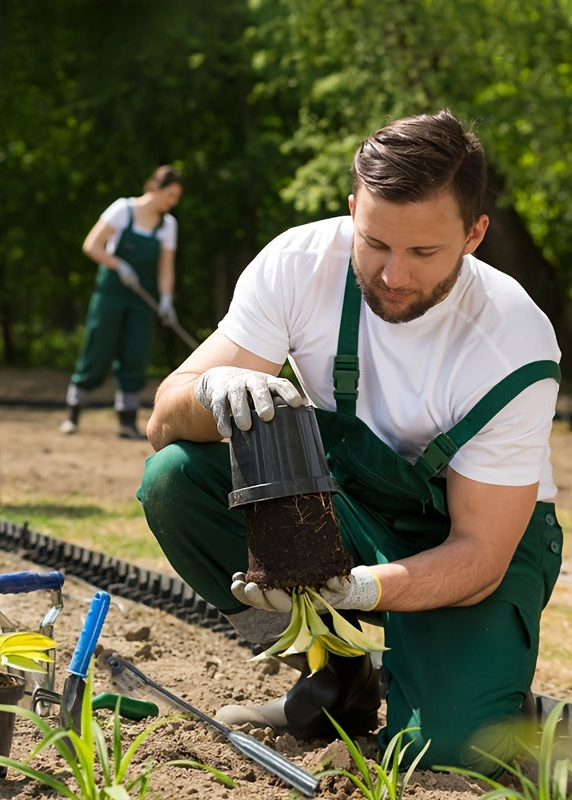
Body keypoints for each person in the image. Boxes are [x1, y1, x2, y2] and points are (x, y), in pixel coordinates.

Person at [137, 110, 563, 775]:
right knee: (173, 479)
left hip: (480, 539)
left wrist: (362, 590)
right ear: (352, 209)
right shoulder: (300, 264)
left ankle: (515, 711)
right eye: (375, 243)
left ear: (475, 234)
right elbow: (161, 422)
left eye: (424, 253)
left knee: (450, 752)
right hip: (352, 506)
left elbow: (480, 553)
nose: (393, 274)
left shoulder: (512, 342)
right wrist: (212, 390)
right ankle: (331, 675)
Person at [60, 165, 183, 439]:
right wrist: (119, 265)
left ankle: (127, 422)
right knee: (98, 348)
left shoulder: (168, 225)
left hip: (142, 297)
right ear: (155, 188)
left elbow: (166, 268)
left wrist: (165, 299)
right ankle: (73, 413)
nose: (172, 202)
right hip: (112, 292)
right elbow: (91, 245)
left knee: (135, 352)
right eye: (170, 195)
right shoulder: (122, 210)